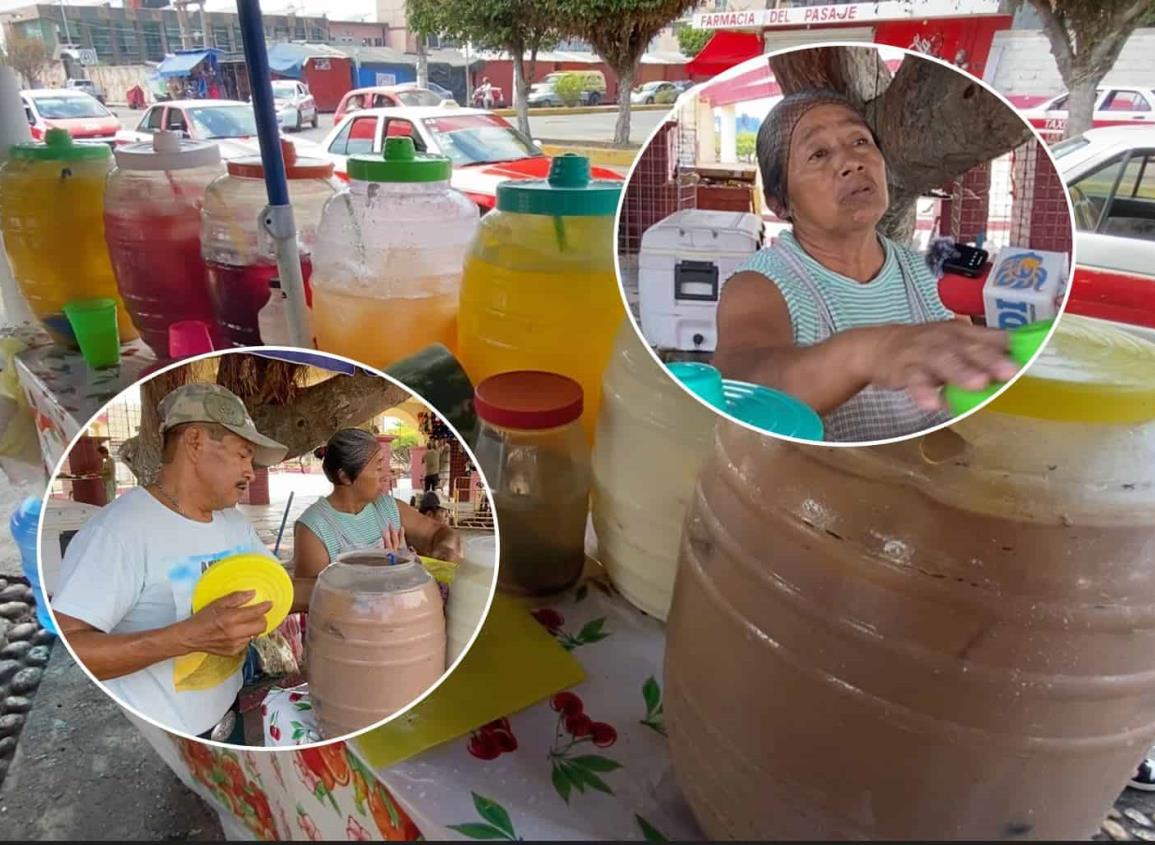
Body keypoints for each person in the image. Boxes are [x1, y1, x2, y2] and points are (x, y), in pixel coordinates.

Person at [713, 90, 1020, 443]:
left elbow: (963, 397)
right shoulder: (761, 284)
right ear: (780, 202)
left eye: (860, 141)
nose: (852, 162)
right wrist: (868, 352)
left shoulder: (927, 271)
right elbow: (739, 387)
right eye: (819, 153)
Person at [51, 384, 289, 743]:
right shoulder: (120, 531)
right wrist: (185, 637)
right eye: (243, 455)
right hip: (161, 737)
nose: (251, 472)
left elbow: (279, 587)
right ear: (195, 442)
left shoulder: (234, 523)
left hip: (228, 716)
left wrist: (354, 585)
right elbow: (72, 649)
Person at [290, 429, 462, 611]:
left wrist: (445, 549)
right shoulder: (314, 528)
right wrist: (380, 576)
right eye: (378, 468)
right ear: (345, 476)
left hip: (405, 620)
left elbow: (438, 532)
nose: (386, 475)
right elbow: (311, 599)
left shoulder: (388, 508)